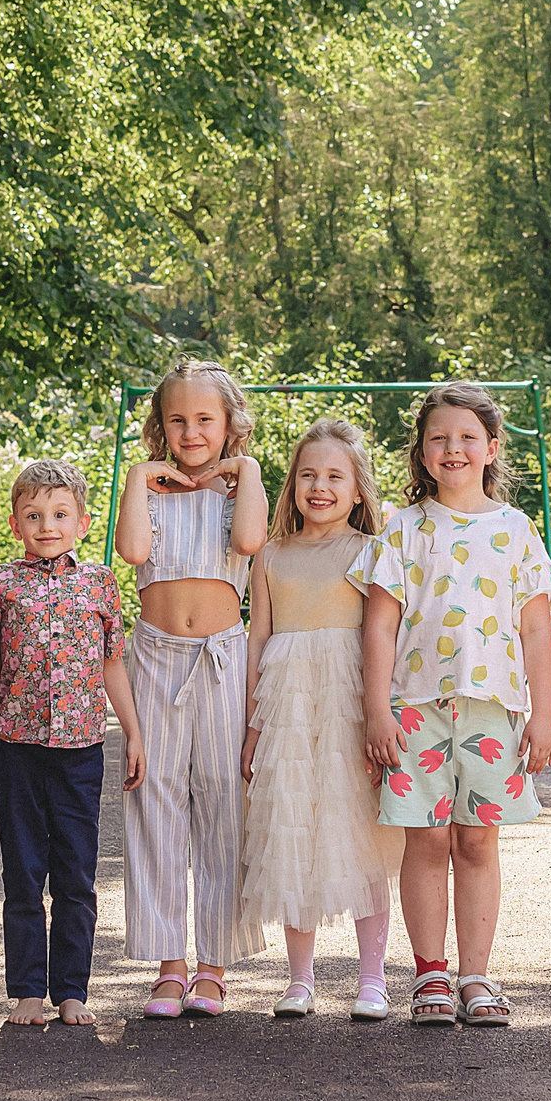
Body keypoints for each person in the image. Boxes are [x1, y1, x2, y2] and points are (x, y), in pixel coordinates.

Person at [357, 382, 551, 1027]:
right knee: (427, 838)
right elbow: (380, 626)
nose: (453, 448)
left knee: (476, 842)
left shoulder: (517, 529)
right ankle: (431, 976)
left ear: (492, 448)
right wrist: (375, 708)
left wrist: (544, 714)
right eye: (438, 437)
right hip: (414, 705)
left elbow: (534, 629)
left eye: (468, 437)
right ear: (420, 451)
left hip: (494, 708)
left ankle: (476, 975)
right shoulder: (402, 528)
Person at [112, 360, 269, 1017]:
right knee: (155, 802)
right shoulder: (150, 491)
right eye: (177, 419)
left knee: (223, 802)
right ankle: (169, 965)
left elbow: (251, 540)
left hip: (223, 660)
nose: (192, 430)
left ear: (229, 424)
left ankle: (213, 965)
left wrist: (249, 468)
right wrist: (137, 477)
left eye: (206, 418)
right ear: (160, 426)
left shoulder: (238, 493)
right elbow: (131, 550)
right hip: (156, 658)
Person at [0, 460, 141, 1027]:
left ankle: (71, 990)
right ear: (15, 523)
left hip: (82, 748)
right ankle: (26, 992)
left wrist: (133, 731)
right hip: (17, 746)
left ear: (83, 522)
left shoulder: (99, 584)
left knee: (76, 873)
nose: (47, 525)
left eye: (60, 514)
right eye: (34, 515)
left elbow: (113, 664)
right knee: (22, 871)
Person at [238, 419, 401, 1020]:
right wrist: (253, 726)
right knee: (293, 830)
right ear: (291, 486)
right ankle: (300, 979)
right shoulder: (272, 555)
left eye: (336, 476)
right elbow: (259, 639)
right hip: (287, 709)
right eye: (308, 475)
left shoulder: (371, 551)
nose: (320, 486)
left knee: (359, 834)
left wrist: (377, 715)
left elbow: (387, 637)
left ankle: (372, 977)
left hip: (348, 703)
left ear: (359, 489)